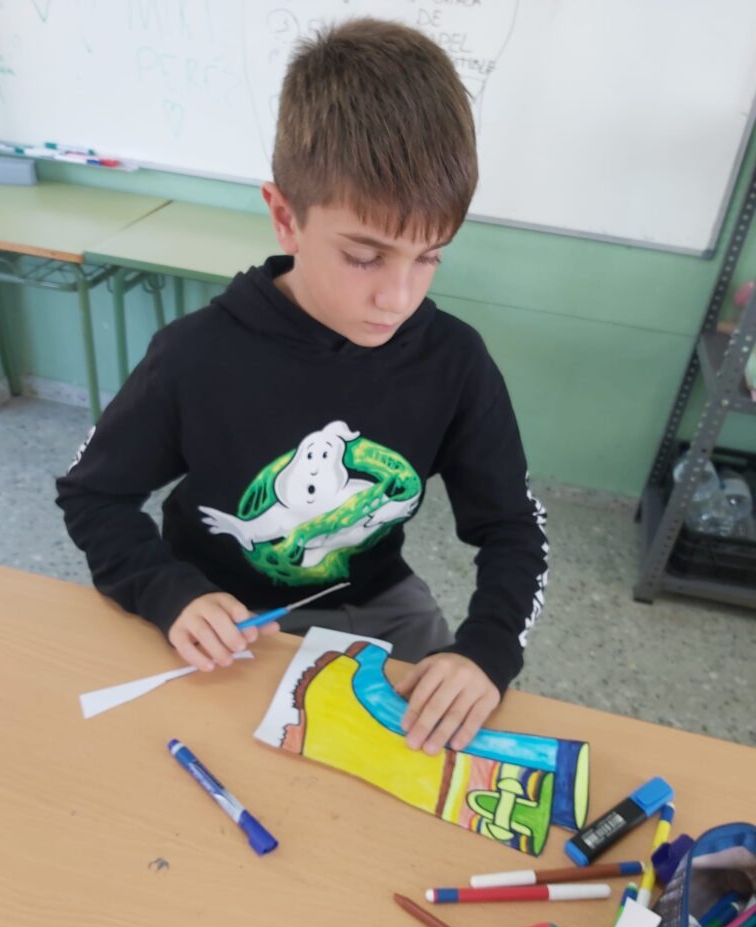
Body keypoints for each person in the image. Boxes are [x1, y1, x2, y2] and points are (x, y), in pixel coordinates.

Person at [56, 18, 548, 756]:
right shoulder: (195, 356)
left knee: (437, 757)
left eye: (430, 258)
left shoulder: (455, 362)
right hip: (221, 617)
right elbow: (92, 495)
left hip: (379, 604)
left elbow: (514, 529)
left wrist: (487, 651)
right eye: (365, 256)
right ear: (286, 217)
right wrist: (168, 592)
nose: (398, 297)